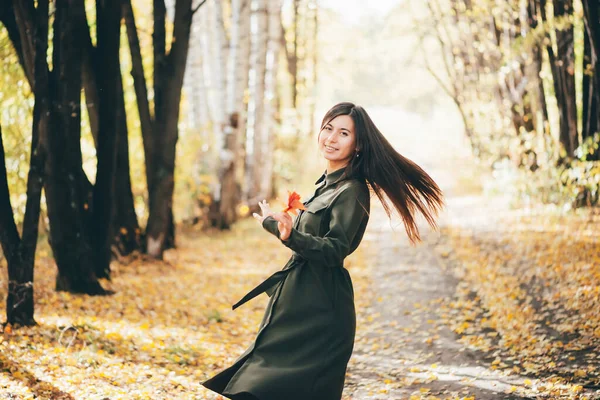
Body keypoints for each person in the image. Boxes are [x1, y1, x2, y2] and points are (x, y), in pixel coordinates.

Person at [202, 102, 444, 400]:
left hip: (321, 310)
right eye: (328, 128)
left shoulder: (351, 191)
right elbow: (300, 236)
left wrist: (290, 236)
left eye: (343, 133)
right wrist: (275, 225)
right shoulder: (324, 186)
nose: (331, 138)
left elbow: (334, 250)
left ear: (358, 145)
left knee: (272, 387)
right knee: (256, 381)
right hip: (295, 302)